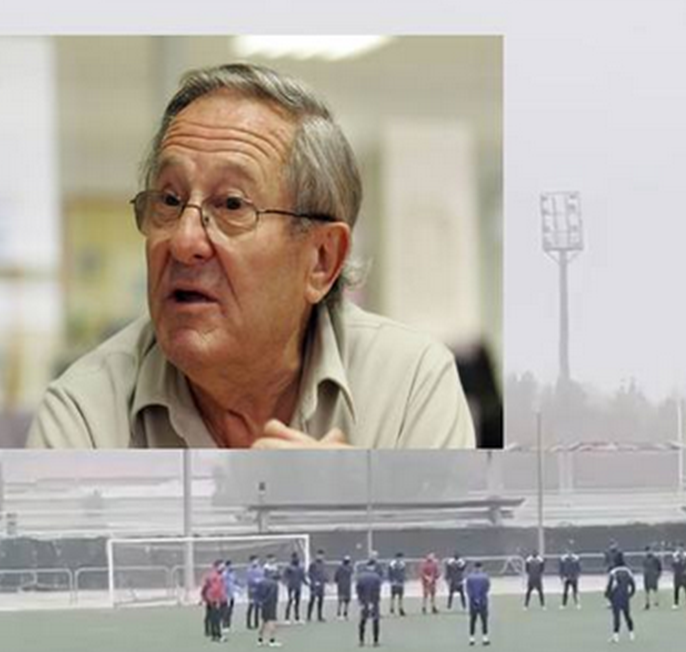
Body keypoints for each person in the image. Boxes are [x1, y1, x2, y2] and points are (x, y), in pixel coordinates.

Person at [26, 63, 475, 451]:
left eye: (232, 205)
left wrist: (352, 507)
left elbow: (440, 550)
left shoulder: (411, 385)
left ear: (321, 259)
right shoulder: (84, 414)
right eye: (168, 199)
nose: (184, 241)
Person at [605, 552, 637, 643]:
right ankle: (632, 634)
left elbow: (610, 586)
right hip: (625, 597)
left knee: (616, 617)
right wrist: (630, 594)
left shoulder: (614, 572)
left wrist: (608, 596)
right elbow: (633, 585)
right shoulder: (627, 571)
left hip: (616, 597)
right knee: (627, 616)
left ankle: (616, 636)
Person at [356, 559, 384, 648]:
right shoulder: (376, 577)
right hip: (374, 602)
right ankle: (375, 641)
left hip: (364, 602)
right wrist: (375, 601)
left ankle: (361, 640)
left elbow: (358, 590)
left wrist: (361, 602)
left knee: (363, 621)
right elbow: (377, 591)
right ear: (373, 567)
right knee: (375, 621)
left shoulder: (361, 577)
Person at [256, 564, 282, 647]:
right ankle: (272, 640)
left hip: (263, 605)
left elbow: (258, 594)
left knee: (264, 622)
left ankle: (260, 640)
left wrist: (261, 602)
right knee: (272, 622)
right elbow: (272, 596)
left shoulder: (261, 582)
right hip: (270, 605)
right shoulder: (274, 584)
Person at [466, 561, 492, 646]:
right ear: (481, 568)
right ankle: (485, 638)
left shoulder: (470, 577)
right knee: (484, 620)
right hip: (483, 601)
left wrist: (474, 598)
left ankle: (471, 639)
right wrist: (480, 597)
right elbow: (487, 588)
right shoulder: (485, 577)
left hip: (473, 602)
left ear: (474, 568)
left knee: (472, 620)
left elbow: (468, 590)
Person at [200, 560, 227, 642]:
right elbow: (209, 588)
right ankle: (218, 635)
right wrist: (205, 598)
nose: (223, 568)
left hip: (214, 599)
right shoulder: (213, 576)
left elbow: (221, 589)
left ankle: (214, 635)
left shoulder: (220, 576)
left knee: (214, 617)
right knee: (216, 618)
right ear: (216, 566)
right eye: (221, 566)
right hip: (213, 599)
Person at [306, 550, 328, 623]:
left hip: (321, 585)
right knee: (312, 600)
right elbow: (309, 573)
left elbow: (324, 573)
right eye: (319, 555)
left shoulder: (323, 564)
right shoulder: (313, 564)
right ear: (316, 555)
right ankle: (308, 616)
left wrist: (325, 579)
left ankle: (319, 616)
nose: (320, 557)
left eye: (322, 555)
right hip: (314, 585)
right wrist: (314, 581)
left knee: (321, 601)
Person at [282, 552, 305, 624]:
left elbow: (302, 577)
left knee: (297, 602)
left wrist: (308, 584)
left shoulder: (300, 567)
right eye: (294, 557)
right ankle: (286, 618)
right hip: (291, 587)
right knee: (290, 601)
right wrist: (285, 583)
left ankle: (297, 618)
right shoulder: (289, 567)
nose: (296, 559)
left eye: (297, 557)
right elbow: (284, 576)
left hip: (298, 587)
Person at [244, 555, 265, 630]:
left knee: (257, 607)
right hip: (252, 591)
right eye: (254, 560)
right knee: (251, 606)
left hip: (259, 590)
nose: (256, 562)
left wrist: (260, 582)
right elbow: (250, 580)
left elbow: (262, 577)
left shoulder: (260, 569)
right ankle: (248, 624)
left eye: (257, 560)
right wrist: (256, 581)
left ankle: (256, 624)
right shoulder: (249, 570)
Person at [670, 544, 686, 610]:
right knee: (676, 589)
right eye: (679, 548)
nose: (680, 549)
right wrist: (675, 562)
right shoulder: (675, 555)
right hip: (677, 574)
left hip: (683, 574)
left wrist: (682, 562)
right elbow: (672, 564)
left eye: (681, 548)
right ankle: (676, 603)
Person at [642, 546, 662, 610]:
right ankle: (647, 603)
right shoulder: (644, 559)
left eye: (650, 550)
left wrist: (658, 575)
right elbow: (644, 567)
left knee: (655, 590)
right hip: (647, 576)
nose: (649, 552)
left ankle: (656, 602)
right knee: (646, 591)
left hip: (653, 576)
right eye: (647, 551)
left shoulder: (655, 559)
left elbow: (659, 567)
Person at [334, 555, 354, 620]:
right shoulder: (350, 568)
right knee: (345, 601)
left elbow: (336, 577)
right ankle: (344, 613)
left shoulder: (340, 568)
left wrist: (336, 581)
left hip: (342, 585)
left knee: (341, 600)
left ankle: (339, 613)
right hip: (346, 586)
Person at [221, 559, 238, 633]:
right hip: (226, 595)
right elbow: (223, 584)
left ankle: (229, 625)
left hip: (231, 595)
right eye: (229, 565)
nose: (230, 567)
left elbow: (235, 582)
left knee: (230, 611)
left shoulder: (233, 573)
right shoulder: (224, 574)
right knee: (225, 611)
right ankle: (224, 625)